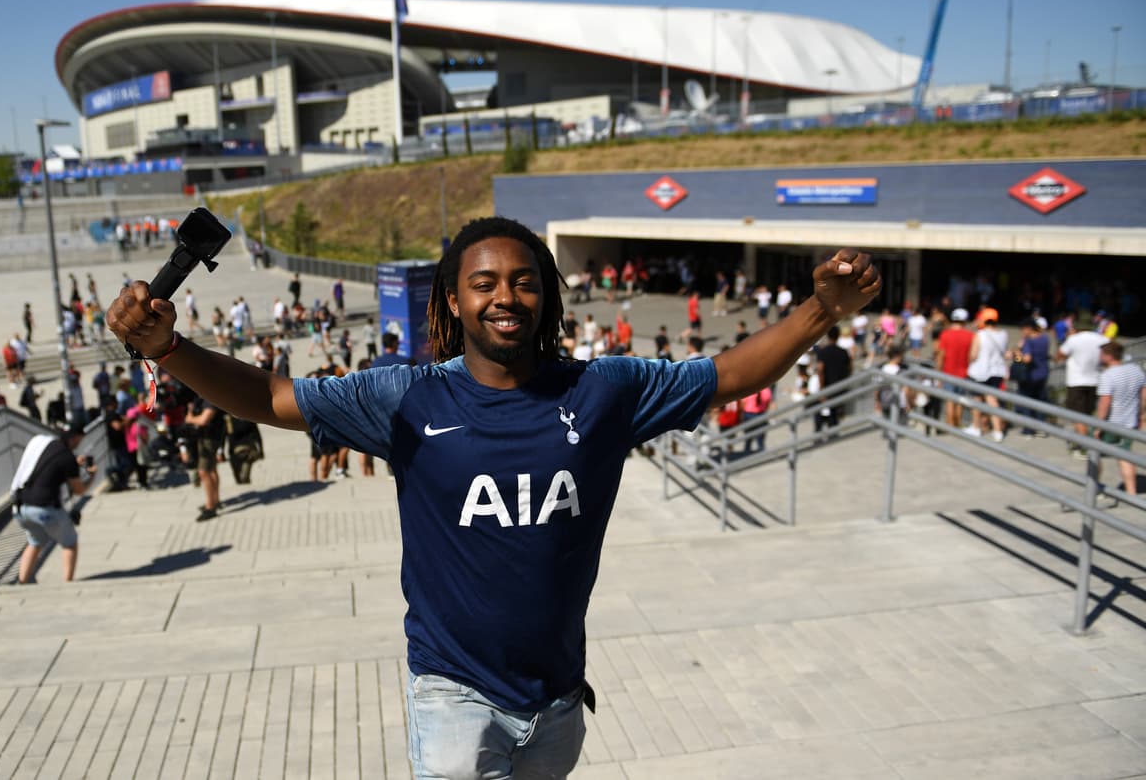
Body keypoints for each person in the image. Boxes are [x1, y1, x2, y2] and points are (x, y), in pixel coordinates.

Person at [105, 216, 880, 778]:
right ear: (452, 301)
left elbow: (731, 374)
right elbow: (272, 397)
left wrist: (821, 311)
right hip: (453, 698)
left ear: (545, 296)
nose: (505, 295)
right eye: (484, 283)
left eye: (524, 280)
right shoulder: (407, 397)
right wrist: (167, 347)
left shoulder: (605, 389)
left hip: (557, 701)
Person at [12, 422, 96, 584]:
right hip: (45, 509)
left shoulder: (47, 446)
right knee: (70, 542)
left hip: (22, 506)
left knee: (35, 542)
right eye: (80, 439)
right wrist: (91, 476)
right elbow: (79, 490)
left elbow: (51, 467)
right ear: (74, 438)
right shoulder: (68, 458)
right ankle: (67, 583)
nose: (80, 443)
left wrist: (74, 463)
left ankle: (22, 582)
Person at [1095, 340, 1144, 506]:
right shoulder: (1135, 370)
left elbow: (1105, 402)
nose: (1099, 358)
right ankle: (1131, 492)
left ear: (1108, 356)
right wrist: (1141, 415)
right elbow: (1144, 394)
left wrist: (1099, 425)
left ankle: (1095, 487)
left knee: (1094, 454)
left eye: (1101, 355)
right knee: (1125, 456)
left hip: (1111, 423)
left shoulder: (1108, 375)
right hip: (1129, 422)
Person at [1056, 320, 1108, 456]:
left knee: (1077, 415)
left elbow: (1060, 354)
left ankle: (1084, 447)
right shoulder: (1102, 339)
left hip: (1076, 381)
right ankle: (1088, 442)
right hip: (1095, 380)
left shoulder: (1074, 339)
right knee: (1088, 414)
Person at [965, 316, 1009, 441]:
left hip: (980, 371)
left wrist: (969, 362)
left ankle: (976, 427)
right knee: (992, 400)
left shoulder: (980, 334)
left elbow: (973, 354)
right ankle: (998, 431)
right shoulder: (1003, 334)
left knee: (977, 400)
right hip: (997, 371)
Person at [185, 394, 225, 520]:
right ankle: (215, 500)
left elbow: (204, 420)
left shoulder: (210, 396)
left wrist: (190, 419)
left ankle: (210, 507)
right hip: (209, 438)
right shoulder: (206, 396)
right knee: (212, 469)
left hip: (209, 439)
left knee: (204, 472)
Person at [935, 309, 976, 429]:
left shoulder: (945, 334)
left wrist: (938, 372)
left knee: (950, 400)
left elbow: (941, 355)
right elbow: (972, 356)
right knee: (960, 400)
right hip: (964, 372)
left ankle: (950, 424)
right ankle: (958, 424)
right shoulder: (971, 336)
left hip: (948, 371)